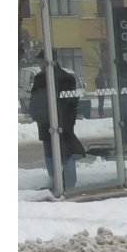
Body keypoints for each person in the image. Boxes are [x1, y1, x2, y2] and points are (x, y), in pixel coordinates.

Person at [29, 52, 86, 191]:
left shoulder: (47, 78)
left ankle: (59, 182)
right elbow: (71, 102)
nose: (39, 64)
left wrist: (38, 116)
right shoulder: (64, 77)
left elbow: (36, 101)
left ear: (48, 61)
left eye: (41, 61)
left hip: (51, 122)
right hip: (58, 122)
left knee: (53, 154)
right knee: (63, 154)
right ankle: (66, 183)